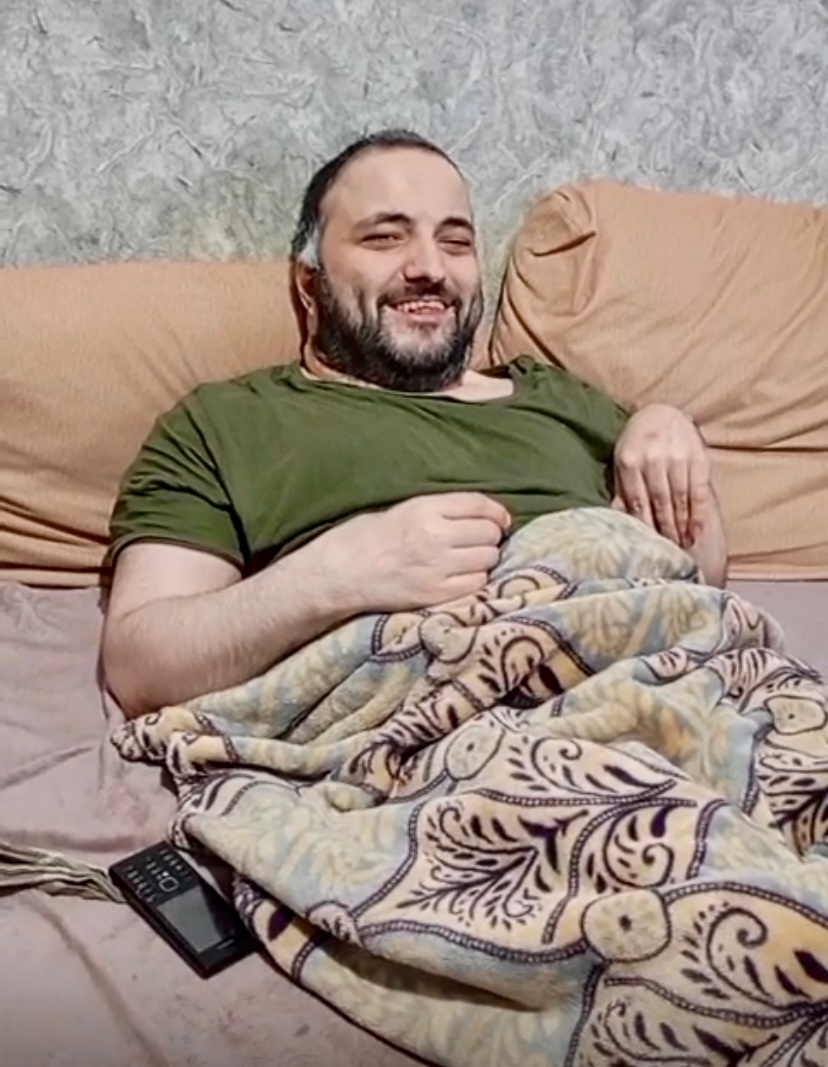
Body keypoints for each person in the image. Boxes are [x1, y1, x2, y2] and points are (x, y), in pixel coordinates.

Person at [102, 129, 727, 720]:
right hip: (441, 727)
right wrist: (338, 574)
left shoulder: (557, 396)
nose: (430, 267)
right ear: (310, 284)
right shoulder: (226, 424)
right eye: (385, 238)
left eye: (455, 242)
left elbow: (700, 577)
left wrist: (668, 431)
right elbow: (140, 666)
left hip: (641, 692)